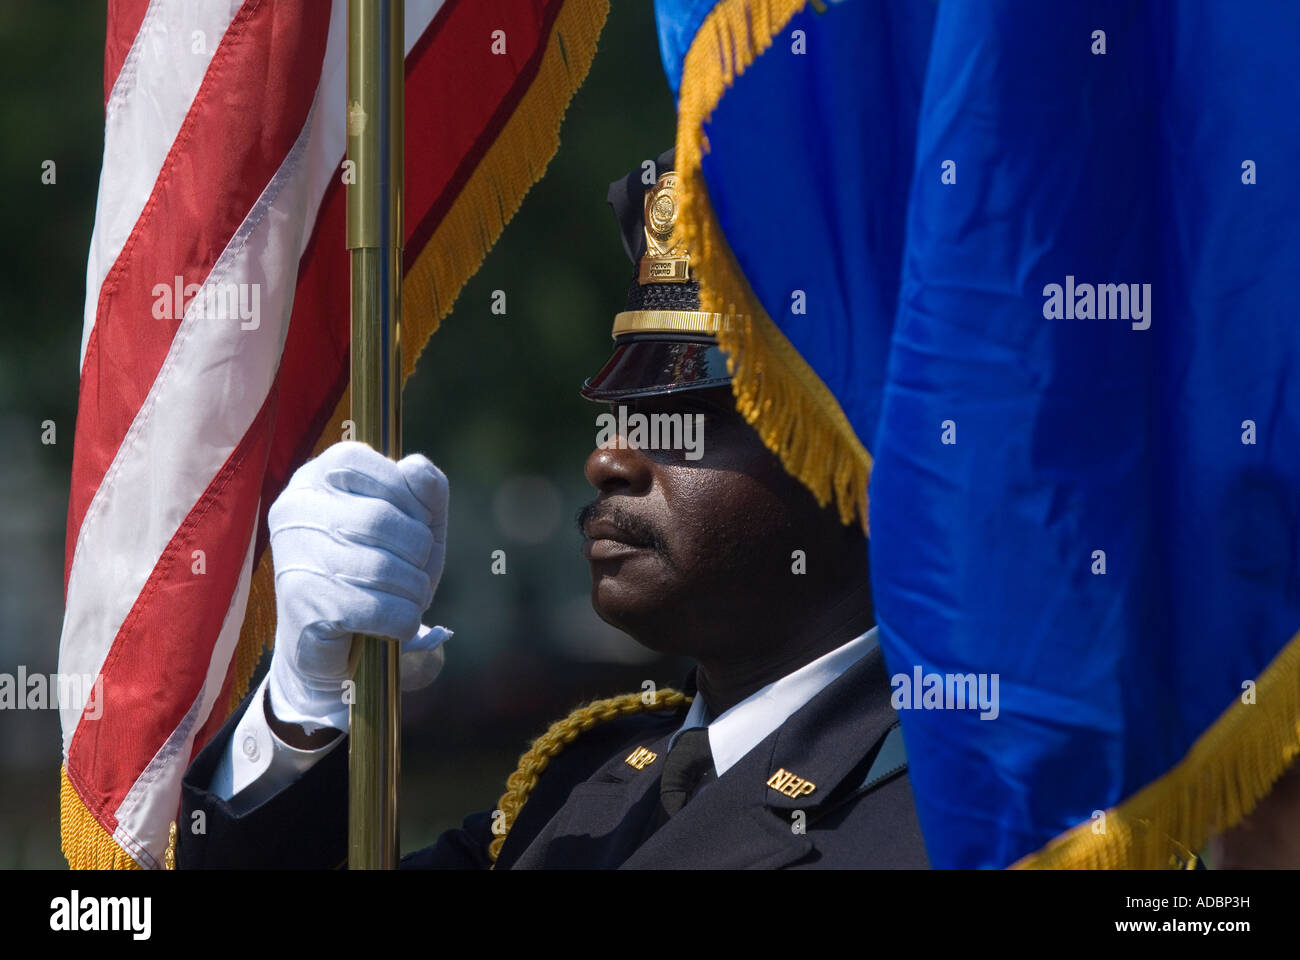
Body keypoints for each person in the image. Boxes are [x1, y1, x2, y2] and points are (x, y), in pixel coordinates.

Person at [177, 152, 928, 869]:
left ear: (861, 455)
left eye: (691, 416)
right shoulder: (575, 787)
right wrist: (307, 712)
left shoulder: (972, 816)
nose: (609, 458)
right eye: (622, 413)